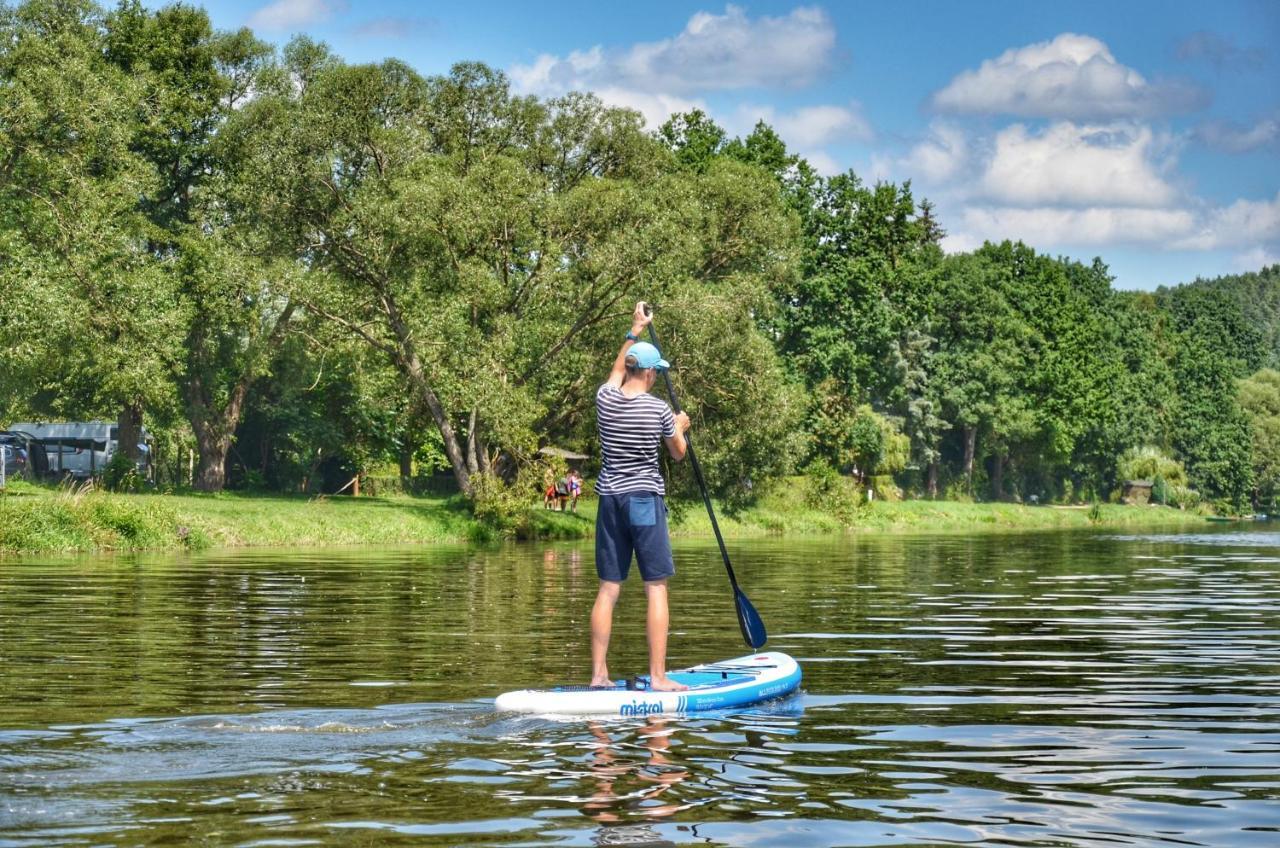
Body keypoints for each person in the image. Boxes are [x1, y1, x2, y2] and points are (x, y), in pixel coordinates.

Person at [590, 301, 691, 692]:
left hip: (610, 501)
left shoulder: (605, 399)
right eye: (655, 372)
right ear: (649, 373)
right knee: (656, 587)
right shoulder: (659, 410)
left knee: (609, 588)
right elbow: (678, 454)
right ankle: (659, 677)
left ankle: (599, 675)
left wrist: (635, 329)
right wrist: (680, 426)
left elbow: (616, 371)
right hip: (645, 500)